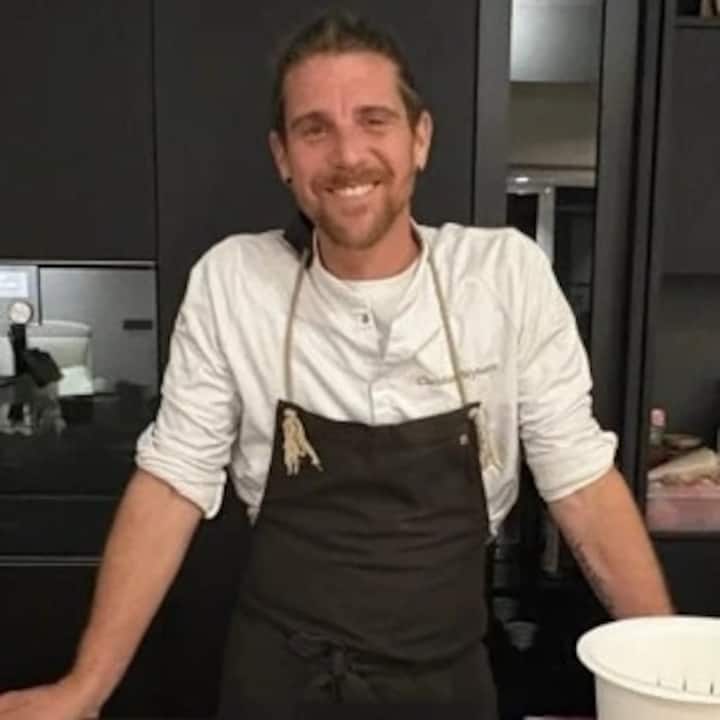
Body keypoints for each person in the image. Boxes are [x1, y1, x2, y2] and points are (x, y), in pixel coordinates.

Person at [0, 10, 672, 720]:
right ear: (283, 156)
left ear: (420, 138)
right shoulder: (234, 282)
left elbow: (582, 485)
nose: (348, 154)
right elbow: (172, 484)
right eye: (315, 129)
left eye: (374, 120)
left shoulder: (504, 277)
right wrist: (84, 689)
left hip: (446, 686)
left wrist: (668, 675)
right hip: (278, 686)